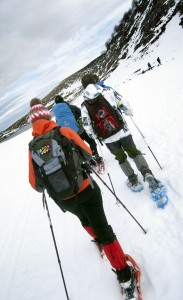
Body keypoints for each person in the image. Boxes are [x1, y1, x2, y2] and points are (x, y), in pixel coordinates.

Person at [28, 98, 137, 298]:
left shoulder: (32, 147)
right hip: (86, 188)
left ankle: (97, 240)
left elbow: (35, 185)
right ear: (47, 115)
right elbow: (87, 153)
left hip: (64, 199)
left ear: (32, 123)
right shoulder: (62, 131)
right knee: (104, 228)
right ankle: (125, 275)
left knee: (84, 218)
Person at [81, 74, 160, 192]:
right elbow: (123, 103)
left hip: (107, 138)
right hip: (122, 130)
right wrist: (128, 112)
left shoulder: (84, 105)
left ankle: (133, 180)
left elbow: (87, 125)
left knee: (121, 158)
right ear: (95, 81)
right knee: (134, 152)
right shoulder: (108, 91)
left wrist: (95, 136)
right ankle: (147, 174)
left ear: (83, 87)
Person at [52, 94, 103, 164]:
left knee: (80, 147)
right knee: (91, 141)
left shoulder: (57, 115)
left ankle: (90, 161)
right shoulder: (71, 107)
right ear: (63, 100)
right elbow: (81, 114)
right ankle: (96, 155)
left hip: (70, 135)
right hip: (80, 130)